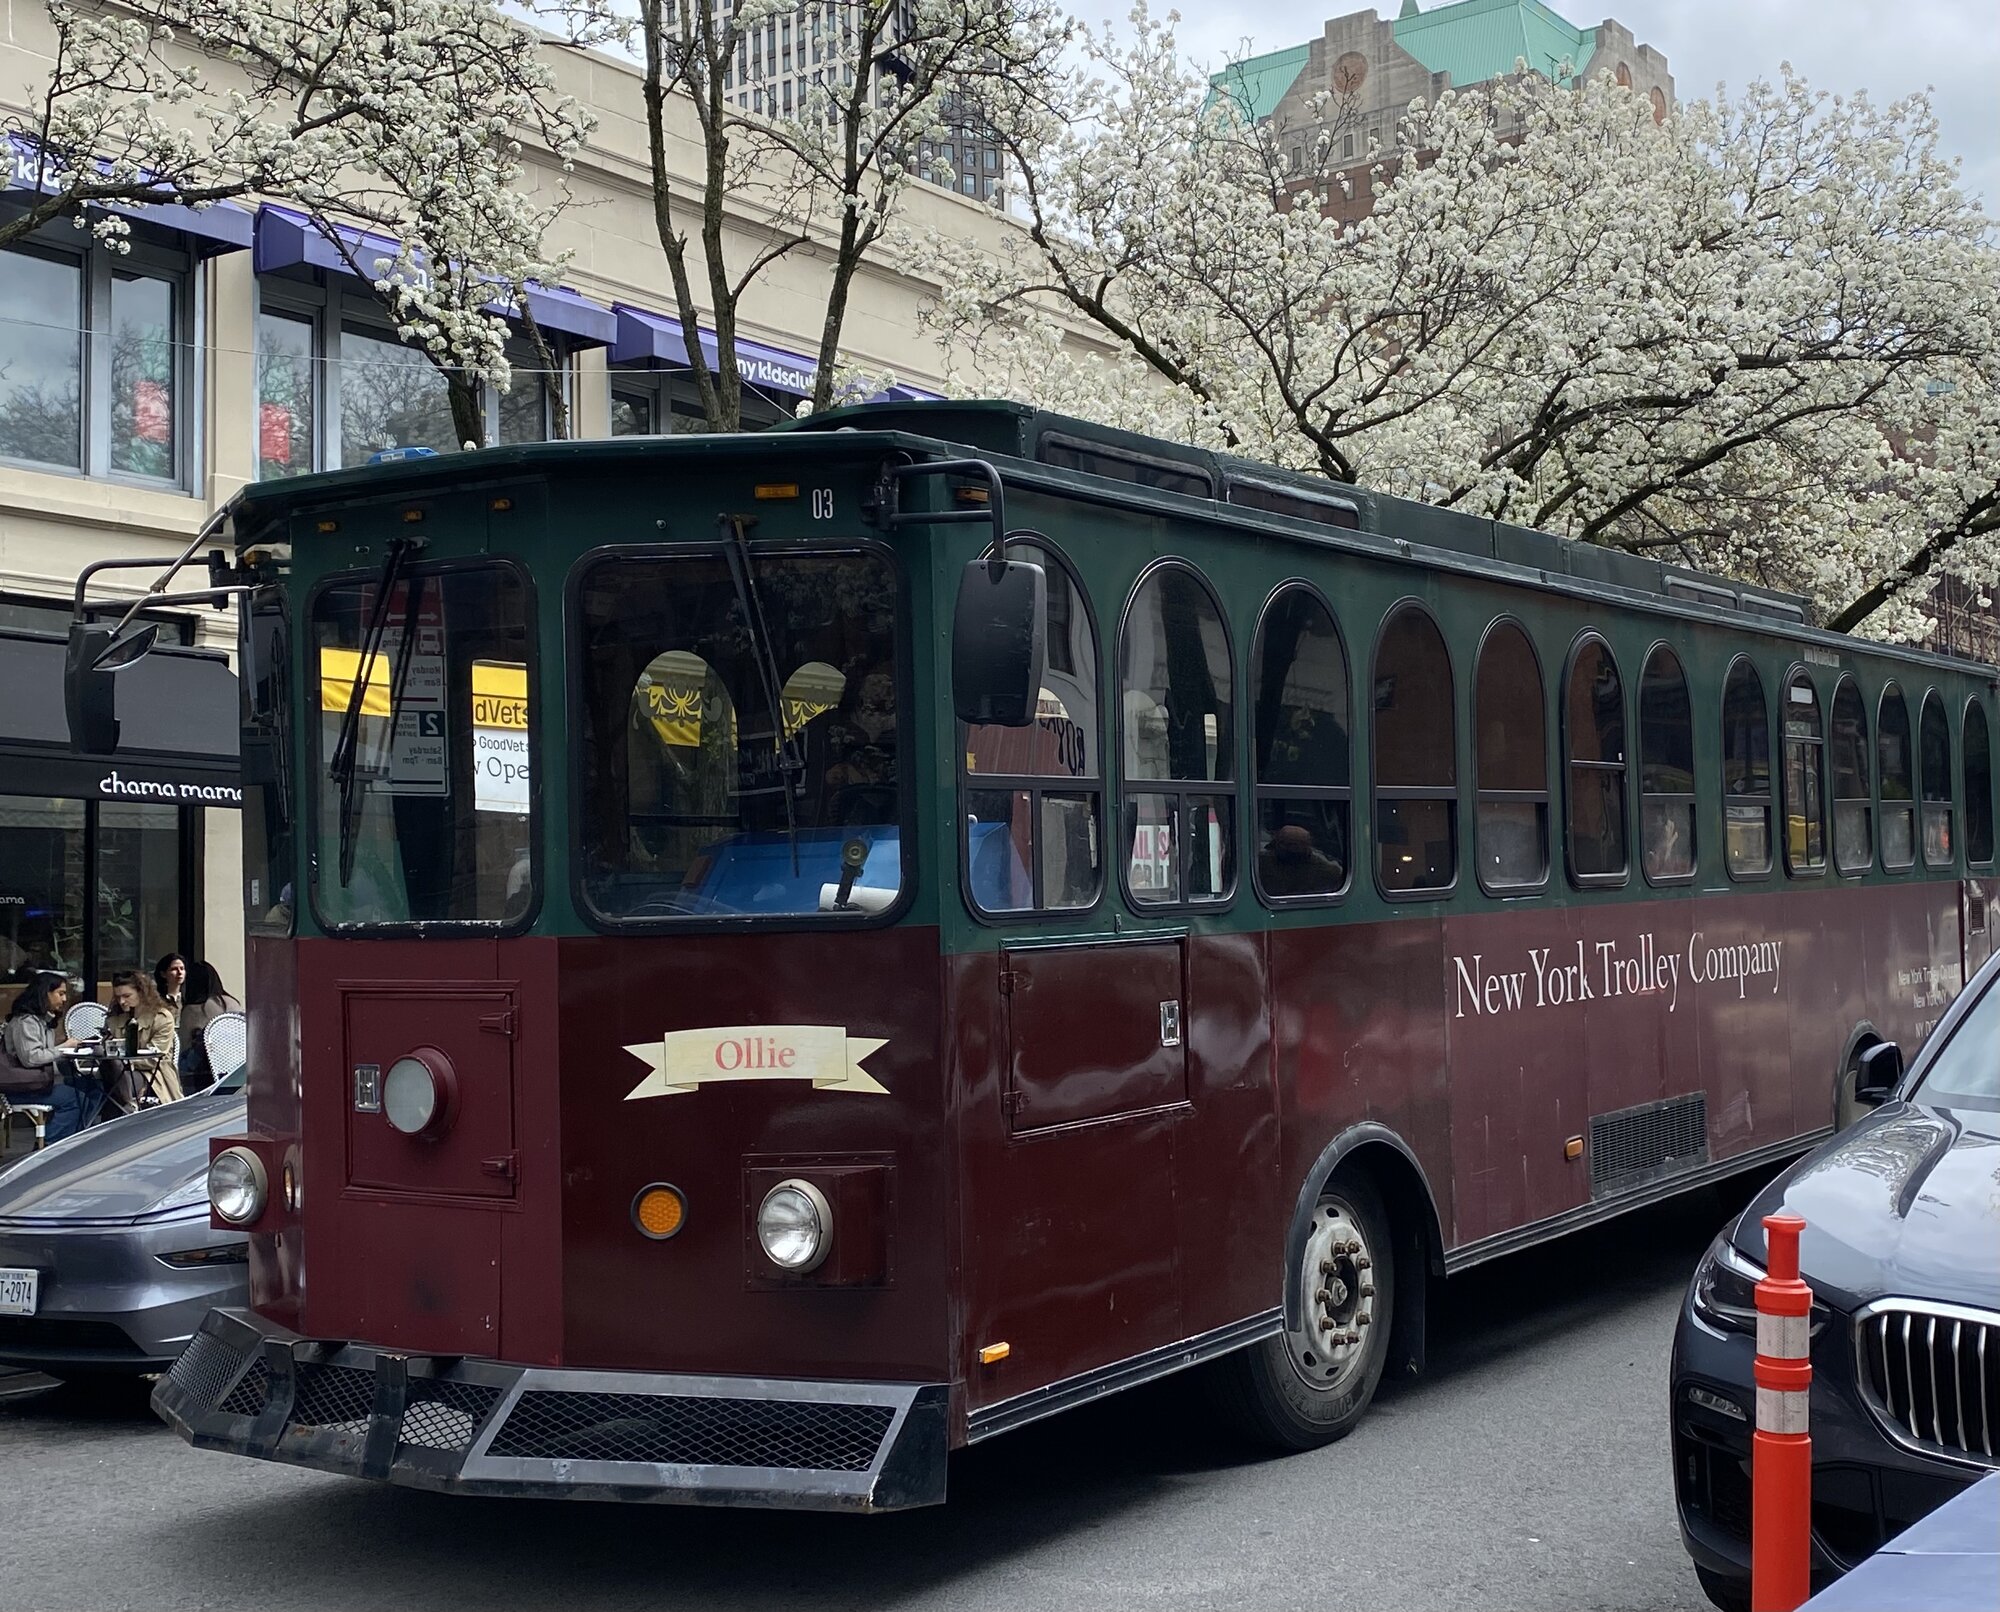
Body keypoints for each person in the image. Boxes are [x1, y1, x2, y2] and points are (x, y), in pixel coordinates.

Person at [1, 972, 90, 1143]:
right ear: (44, 993)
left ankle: (75, 1138)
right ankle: (51, 1143)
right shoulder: (25, 1022)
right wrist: (64, 1048)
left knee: (92, 1088)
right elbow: (31, 1058)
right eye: (60, 993)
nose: (64, 999)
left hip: (38, 1083)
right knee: (76, 1099)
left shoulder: (43, 1021)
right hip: (21, 1087)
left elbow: (47, 1054)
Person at [106, 971, 182, 1104]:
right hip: (116, 1071)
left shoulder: (161, 1018)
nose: (122, 1001)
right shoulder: (115, 1018)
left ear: (141, 993)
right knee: (99, 1081)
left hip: (153, 1075)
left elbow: (153, 1058)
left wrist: (124, 1062)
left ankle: (126, 1106)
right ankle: (126, 1106)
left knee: (114, 1082)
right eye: (118, 997)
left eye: (127, 996)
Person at [174, 961, 242, 1094]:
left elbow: (184, 1046)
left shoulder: (193, 1010)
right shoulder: (233, 1003)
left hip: (205, 1073)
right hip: (234, 1068)